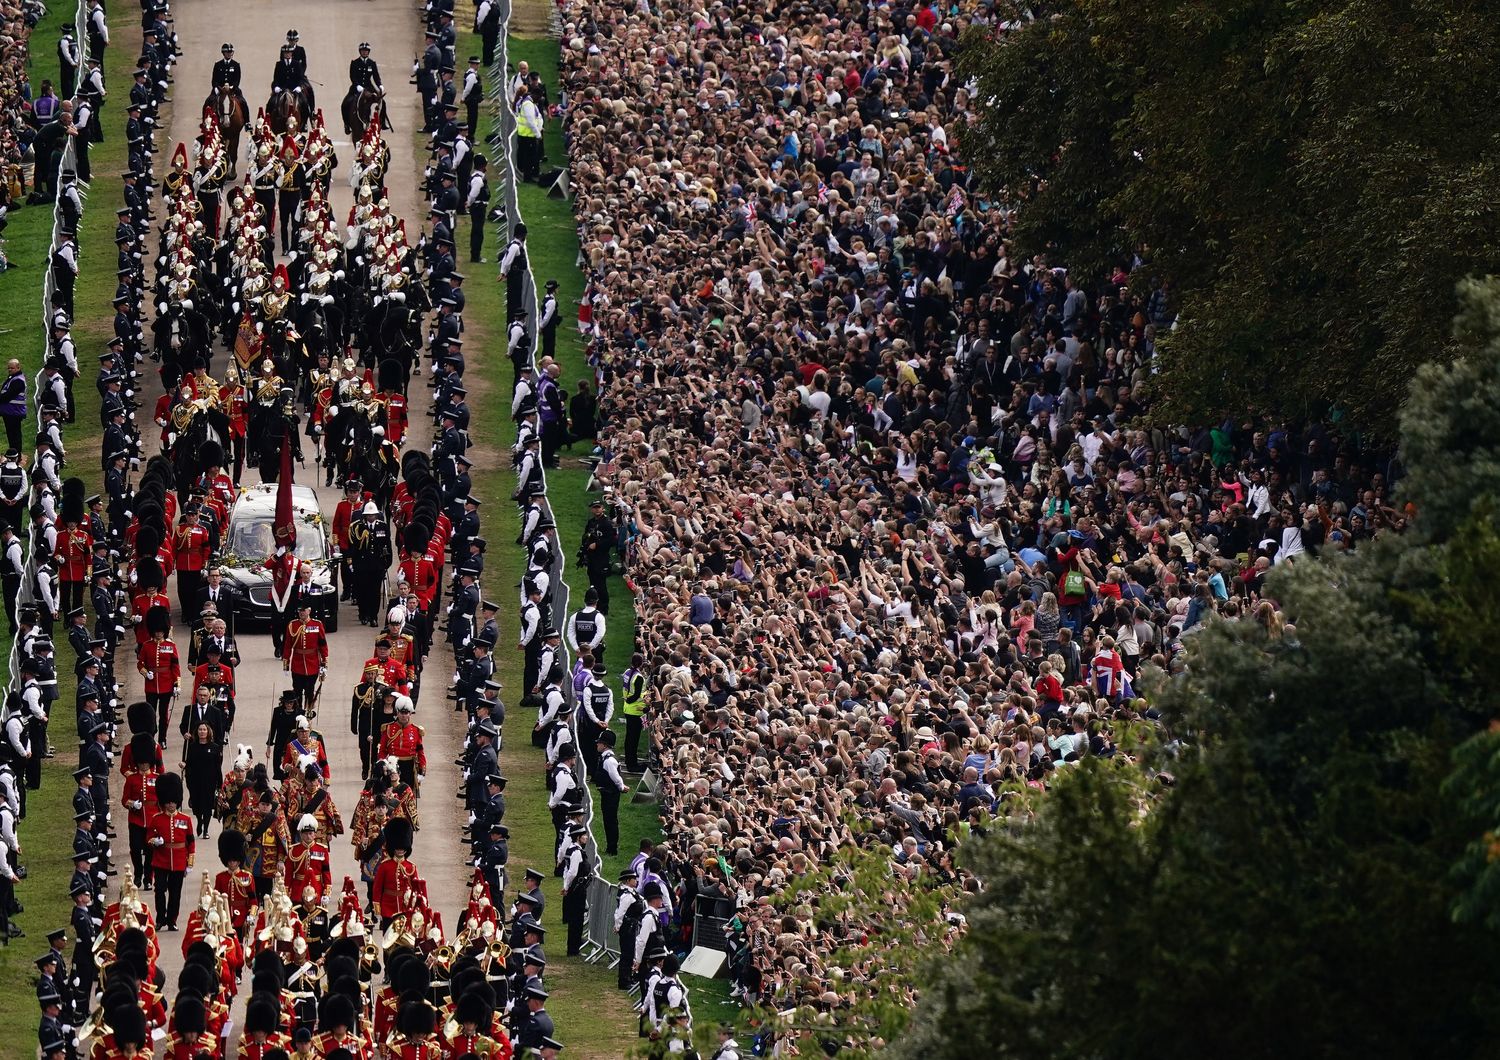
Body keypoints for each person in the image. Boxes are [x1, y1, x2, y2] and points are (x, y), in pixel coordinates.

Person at [146, 772, 193, 930]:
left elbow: (191, 842)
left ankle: (172, 920)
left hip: (179, 861)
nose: (171, 805)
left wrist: (190, 863)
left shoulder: (185, 819)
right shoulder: (156, 819)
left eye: (173, 802)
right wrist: (155, 842)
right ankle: (160, 918)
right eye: (168, 802)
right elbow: (149, 838)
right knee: (159, 890)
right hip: (161, 859)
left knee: (175, 893)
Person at [180, 721, 223, 838]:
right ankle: (200, 821)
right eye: (200, 729)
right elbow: (188, 763)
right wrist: (184, 764)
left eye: (204, 729)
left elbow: (218, 767)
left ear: (208, 731)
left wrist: (220, 784)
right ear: (197, 732)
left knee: (208, 806)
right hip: (195, 781)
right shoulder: (192, 746)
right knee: (197, 805)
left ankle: (206, 830)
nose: (202, 732)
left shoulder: (215, 747)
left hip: (209, 781)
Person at [595, 729, 628, 856]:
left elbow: (616, 777)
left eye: (599, 743)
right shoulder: (605, 758)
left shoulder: (609, 761)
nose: (597, 745)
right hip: (606, 793)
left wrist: (621, 787)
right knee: (608, 820)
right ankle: (610, 846)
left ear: (605, 745)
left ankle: (612, 848)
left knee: (610, 821)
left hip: (610, 795)